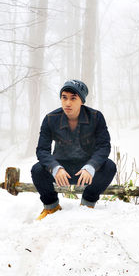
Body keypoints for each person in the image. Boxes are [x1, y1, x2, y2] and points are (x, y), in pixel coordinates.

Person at [31, 80, 116, 220]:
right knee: (37, 170)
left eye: (73, 98)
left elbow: (104, 146)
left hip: (86, 171)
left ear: (81, 101)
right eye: (64, 97)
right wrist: (55, 168)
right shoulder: (50, 119)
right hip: (62, 171)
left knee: (109, 166)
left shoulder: (96, 117)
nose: (67, 103)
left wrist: (91, 166)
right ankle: (51, 207)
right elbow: (42, 150)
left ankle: (88, 203)